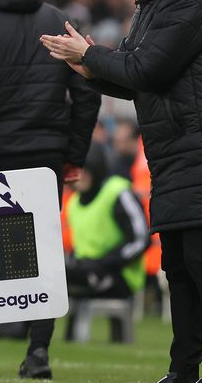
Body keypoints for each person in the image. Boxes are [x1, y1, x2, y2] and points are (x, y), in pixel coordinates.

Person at [41, 0, 202, 383]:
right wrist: (87, 65)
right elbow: (135, 80)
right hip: (177, 149)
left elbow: (145, 69)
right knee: (177, 263)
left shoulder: (186, 5)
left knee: (201, 260)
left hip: (200, 148)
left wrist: (91, 53)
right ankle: (182, 370)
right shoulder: (155, 6)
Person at [0, 0, 101, 380]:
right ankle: (37, 352)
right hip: (46, 154)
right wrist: (73, 155)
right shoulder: (58, 19)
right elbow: (88, 91)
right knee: (42, 254)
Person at [62, 141, 149, 342]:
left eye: (84, 169)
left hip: (120, 274)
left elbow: (140, 238)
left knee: (78, 273)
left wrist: (106, 263)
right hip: (87, 271)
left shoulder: (117, 191)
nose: (79, 176)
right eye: (75, 170)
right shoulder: (74, 203)